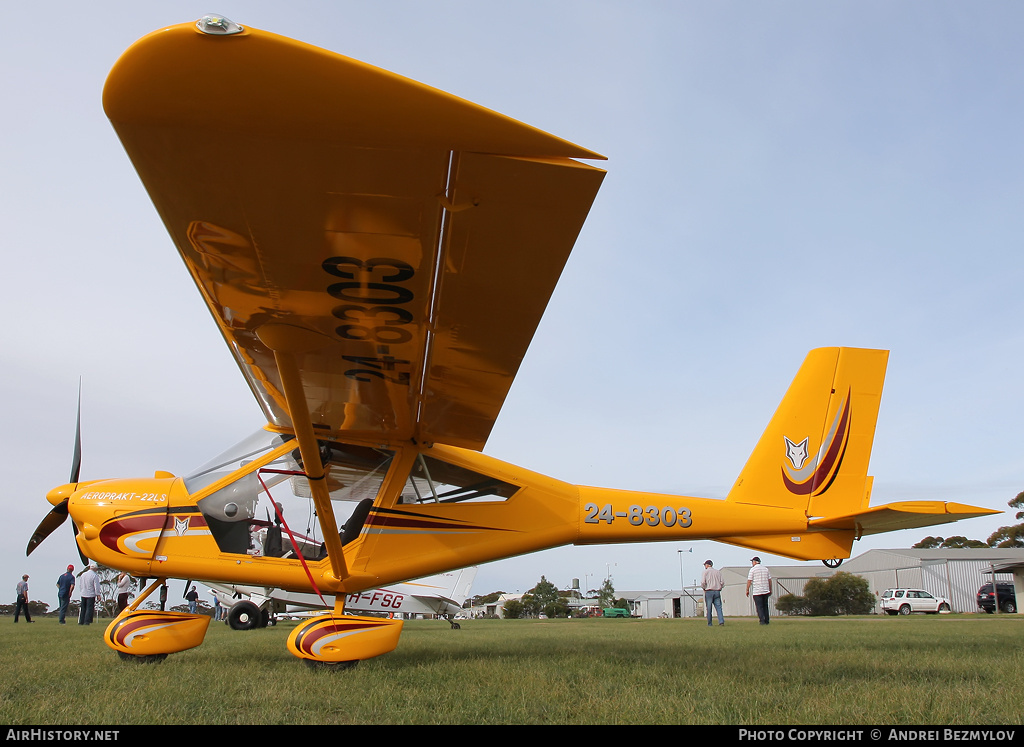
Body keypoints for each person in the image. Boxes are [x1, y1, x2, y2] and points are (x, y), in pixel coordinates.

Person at [745, 556, 773, 625]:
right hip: (765, 590)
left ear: (755, 562)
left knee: (759, 607)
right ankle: (767, 620)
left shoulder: (753, 570)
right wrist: (770, 589)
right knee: (765, 606)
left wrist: (747, 590)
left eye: (752, 562)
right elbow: (769, 580)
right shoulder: (765, 569)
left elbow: (749, 581)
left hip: (757, 591)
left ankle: (762, 621)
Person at [701, 560, 725, 626]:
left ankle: (710, 623)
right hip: (717, 591)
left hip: (709, 591)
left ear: (707, 565)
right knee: (719, 607)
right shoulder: (717, 572)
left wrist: (704, 588)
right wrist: (720, 587)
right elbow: (722, 582)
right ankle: (721, 621)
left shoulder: (705, 572)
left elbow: (703, 582)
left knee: (709, 608)